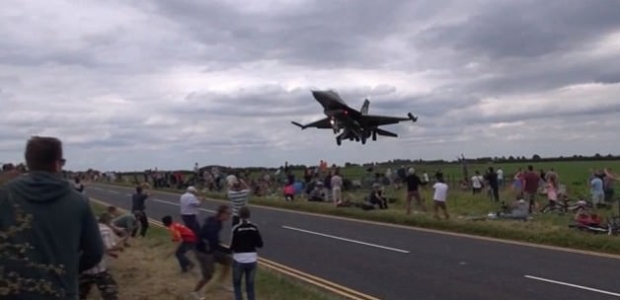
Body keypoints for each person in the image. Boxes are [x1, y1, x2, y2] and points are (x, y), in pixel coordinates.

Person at [0, 136, 104, 300]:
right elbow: (95, 252)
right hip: (61, 291)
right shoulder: (78, 201)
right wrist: (68, 268)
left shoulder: (4, 196)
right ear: (57, 164)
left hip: (12, 292)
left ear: (27, 163)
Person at [190, 205, 233, 299]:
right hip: (203, 252)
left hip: (211, 249)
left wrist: (225, 249)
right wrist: (227, 249)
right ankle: (195, 292)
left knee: (229, 260)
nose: (230, 216)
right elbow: (212, 242)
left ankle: (221, 283)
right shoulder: (212, 226)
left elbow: (215, 242)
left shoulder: (217, 222)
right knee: (208, 275)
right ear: (222, 213)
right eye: (228, 214)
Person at [79, 213, 125, 300]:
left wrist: (112, 254)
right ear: (108, 221)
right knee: (110, 292)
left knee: (79, 293)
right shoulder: (105, 230)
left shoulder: (87, 228)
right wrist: (119, 247)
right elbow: (107, 247)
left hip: (83, 267)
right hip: (98, 267)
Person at [230, 206, 263, 300]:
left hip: (239, 259)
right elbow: (260, 244)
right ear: (249, 216)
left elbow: (232, 246)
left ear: (239, 216)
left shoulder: (236, 228)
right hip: (252, 259)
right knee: (250, 286)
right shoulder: (254, 228)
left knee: (237, 284)